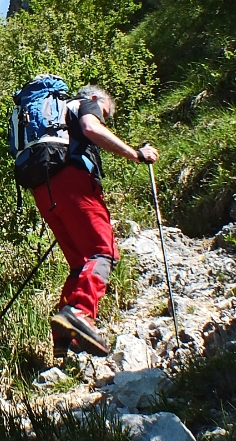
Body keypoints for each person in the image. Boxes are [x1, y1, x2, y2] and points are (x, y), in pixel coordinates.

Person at [32, 84, 158, 358]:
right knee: (103, 252)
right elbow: (91, 128)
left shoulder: (53, 119)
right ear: (94, 99)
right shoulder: (83, 104)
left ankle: (63, 340)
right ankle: (80, 313)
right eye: (105, 112)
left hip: (43, 190)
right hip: (74, 183)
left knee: (80, 263)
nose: (104, 118)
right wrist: (136, 154)